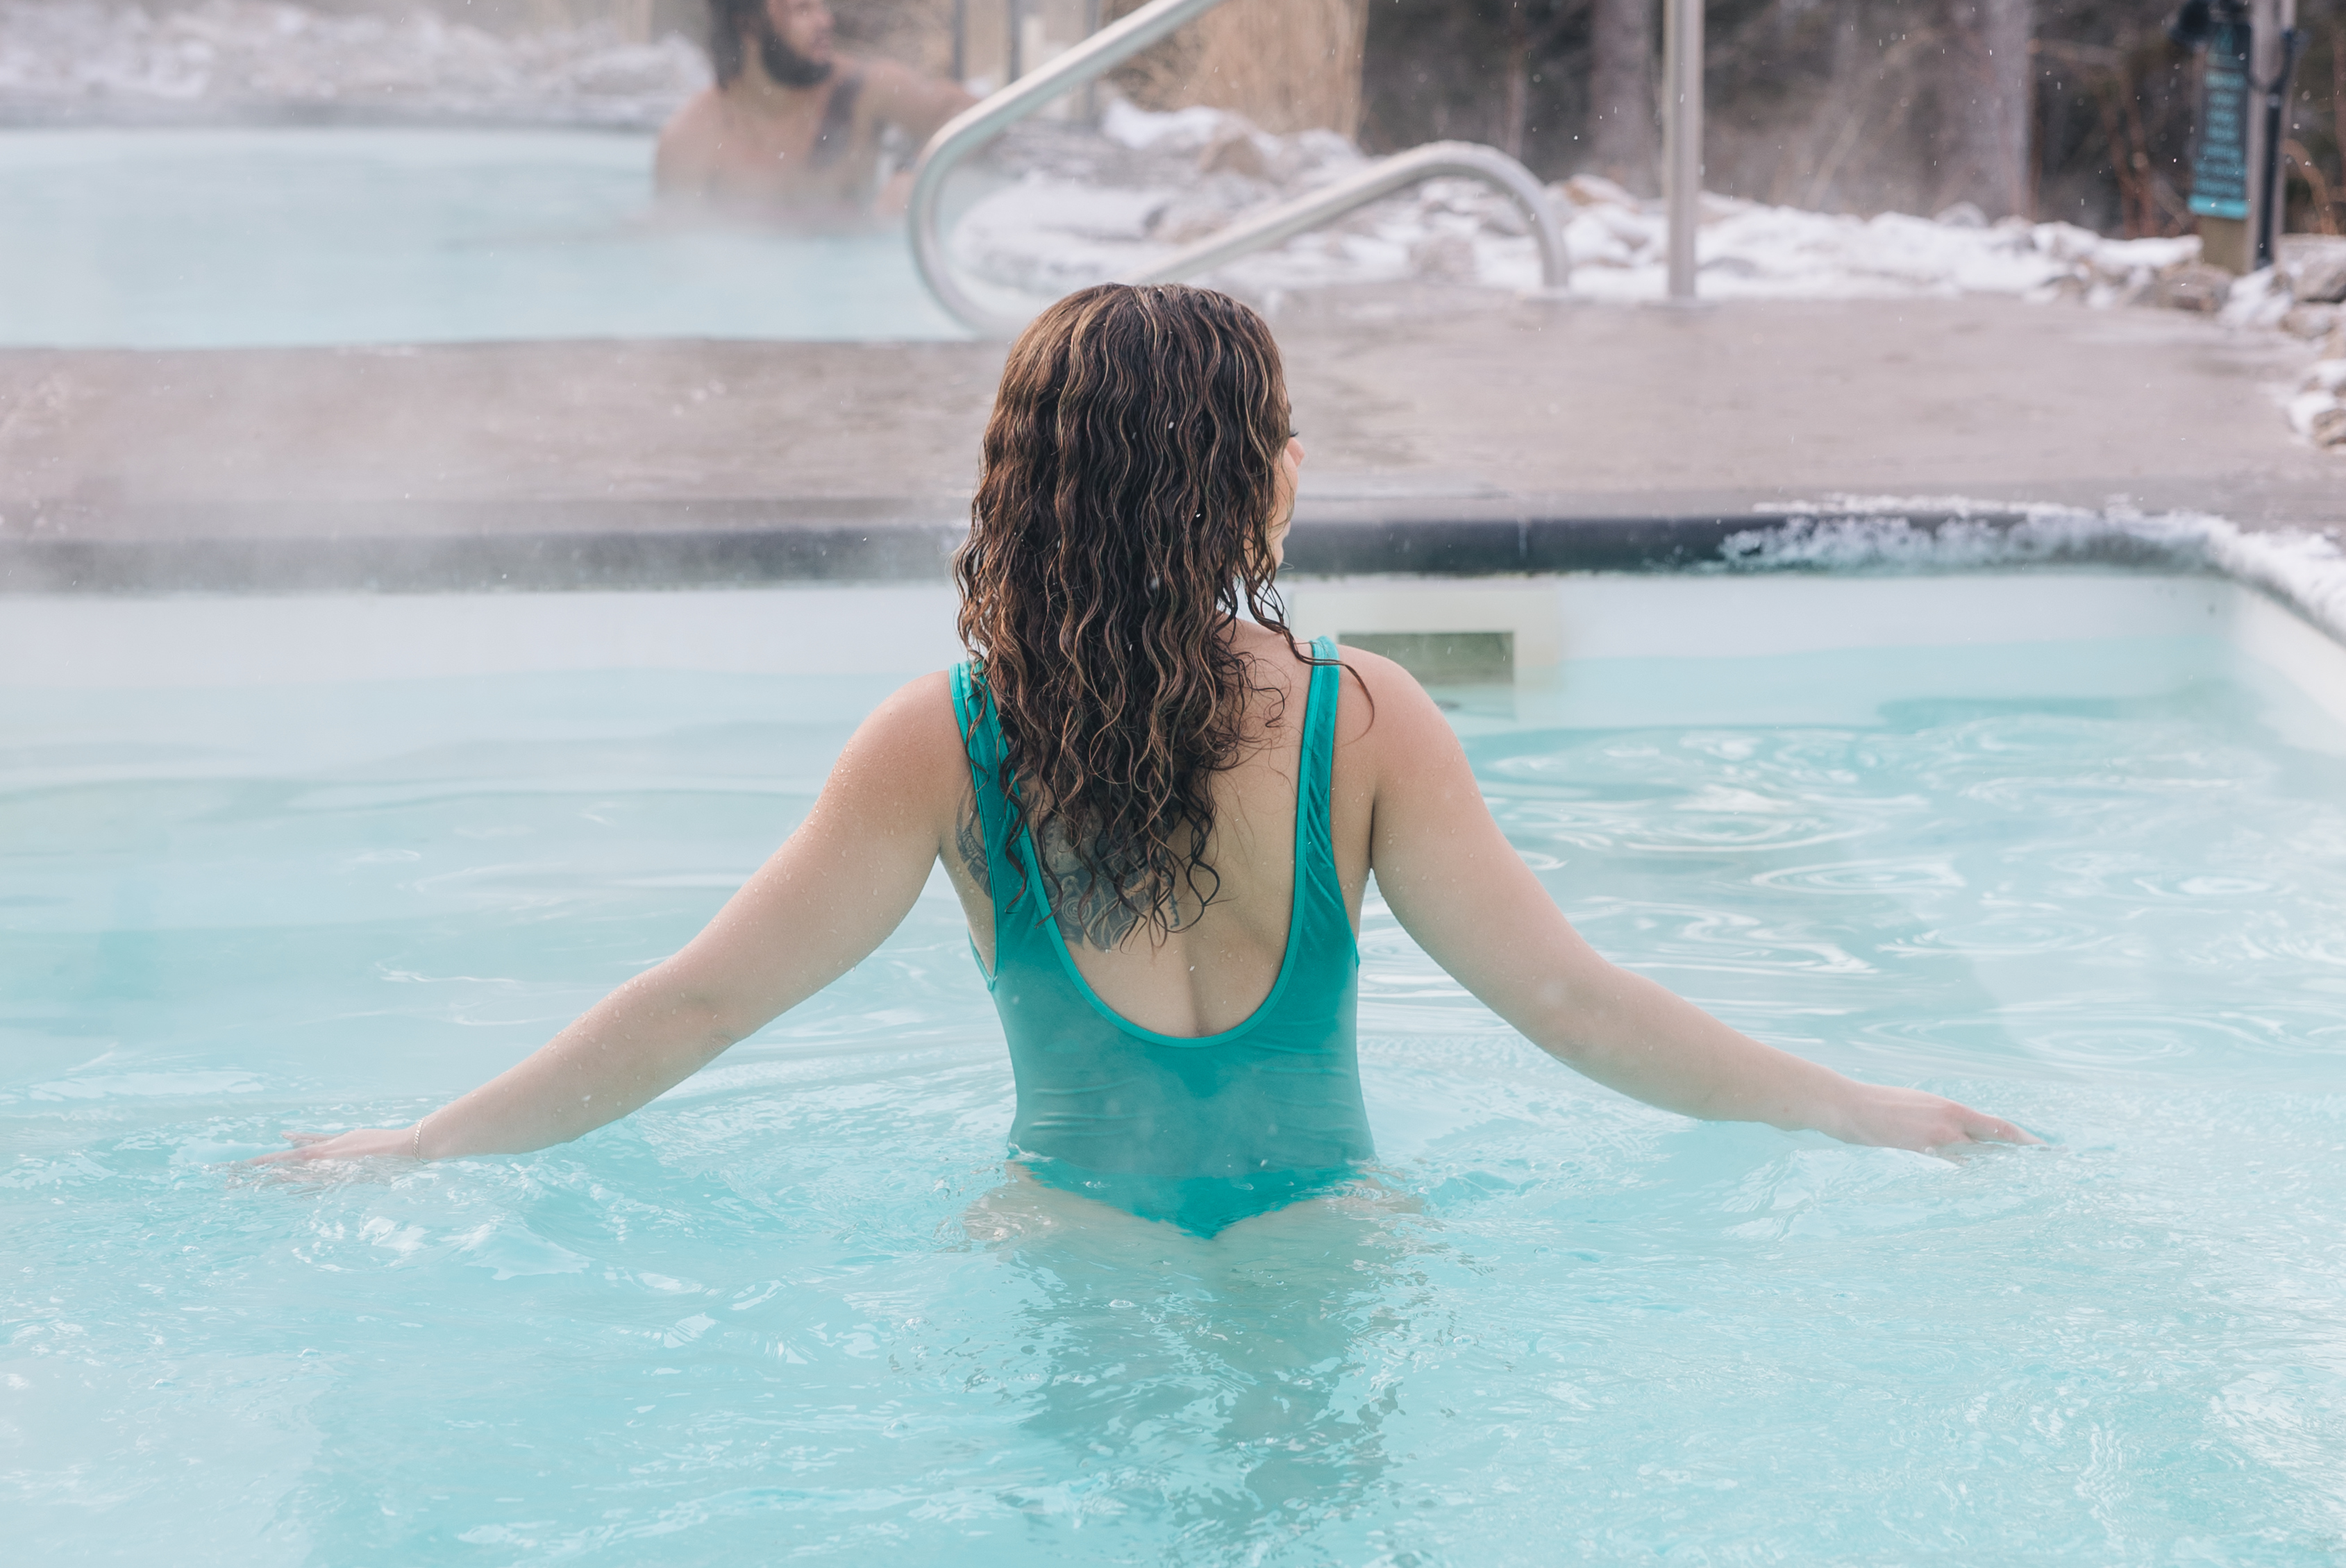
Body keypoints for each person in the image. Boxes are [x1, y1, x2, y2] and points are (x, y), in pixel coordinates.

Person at [283, 284, 2025, 1221]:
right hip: (1330, 1240)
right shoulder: (1363, 723)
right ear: (1243, 479)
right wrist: (1855, 1106)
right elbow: (1569, 1007)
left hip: (1063, 1239)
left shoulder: (943, 742)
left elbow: (697, 1005)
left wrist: (428, 1146)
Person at [653, 0, 971, 226]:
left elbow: (974, 114)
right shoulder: (692, 138)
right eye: (803, 9)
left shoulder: (860, 92)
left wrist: (916, 170)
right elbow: (677, 251)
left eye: (822, 6)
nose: (825, 21)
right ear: (747, 23)